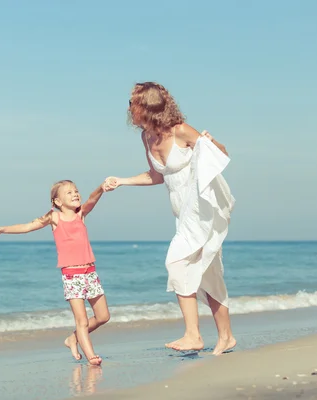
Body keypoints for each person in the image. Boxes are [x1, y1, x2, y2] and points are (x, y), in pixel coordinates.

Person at [104, 82, 236, 356]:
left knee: (176, 262)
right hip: (181, 210)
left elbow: (219, 155)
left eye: (132, 103)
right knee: (208, 275)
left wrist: (213, 142)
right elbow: (158, 175)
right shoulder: (146, 137)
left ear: (146, 105)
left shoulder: (180, 130)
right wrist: (123, 181)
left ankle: (193, 335)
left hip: (201, 207)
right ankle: (226, 337)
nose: (128, 108)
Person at [0, 180, 111, 365]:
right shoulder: (54, 218)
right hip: (72, 276)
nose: (75, 194)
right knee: (81, 320)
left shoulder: (81, 214)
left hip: (90, 273)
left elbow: (92, 198)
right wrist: (2, 229)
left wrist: (102, 187)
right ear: (57, 201)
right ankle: (91, 355)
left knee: (103, 316)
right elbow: (27, 227)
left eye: (76, 191)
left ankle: (72, 339)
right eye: (69, 193)